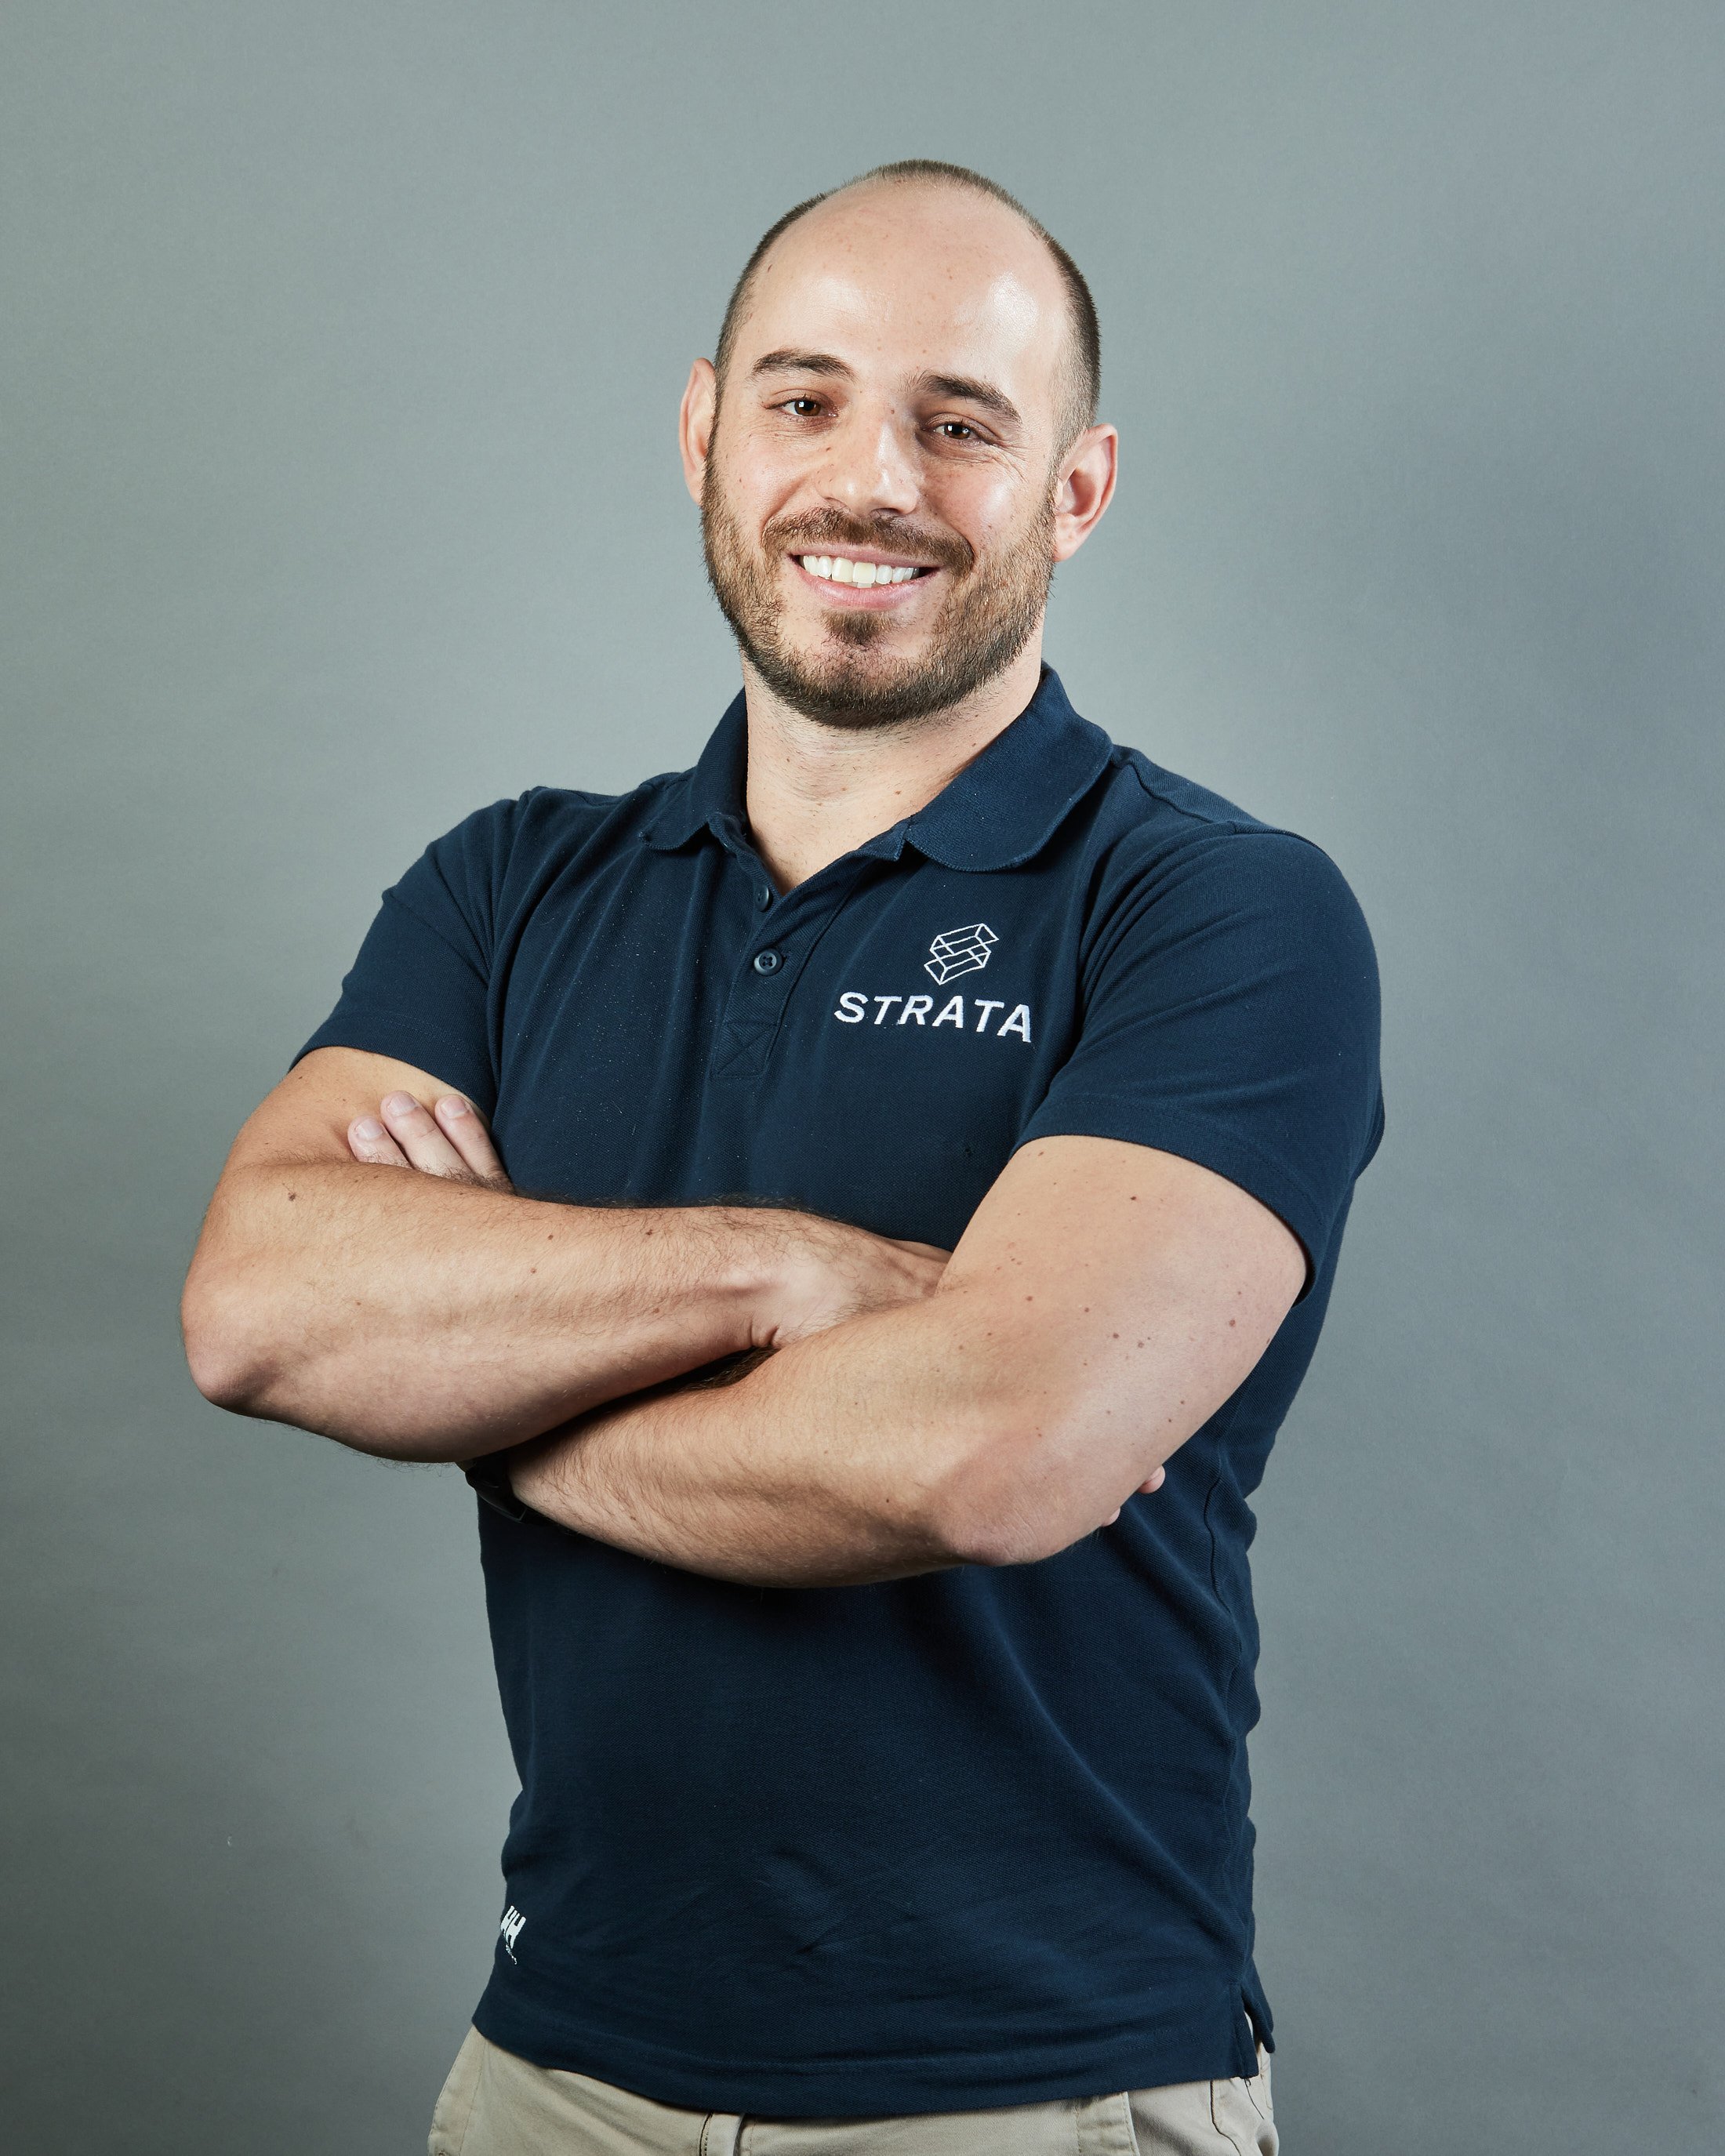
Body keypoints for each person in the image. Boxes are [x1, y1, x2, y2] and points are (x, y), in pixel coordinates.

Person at [183, 158, 1382, 2156]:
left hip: (1036, 2086)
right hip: (551, 2069)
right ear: (702, 435)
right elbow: (257, 1306)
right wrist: (783, 1274)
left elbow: (993, 1451)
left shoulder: (1215, 912)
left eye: (959, 421)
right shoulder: (510, 886)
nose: (870, 478)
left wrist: (497, 1408)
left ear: (1074, 489)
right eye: (803, 398)